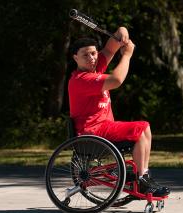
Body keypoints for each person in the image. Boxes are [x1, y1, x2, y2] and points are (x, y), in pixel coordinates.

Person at [68, 27, 170, 197]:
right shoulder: (81, 79)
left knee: (145, 128)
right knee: (140, 129)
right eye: (85, 55)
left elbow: (109, 48)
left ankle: (143, 176)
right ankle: (141, 180)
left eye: (93, 53)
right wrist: (127, 55)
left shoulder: (94, 68)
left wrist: (122, 32)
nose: (92, 58)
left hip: (104, 128)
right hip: (92, 132)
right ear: (75, 58)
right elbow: (116, 80)